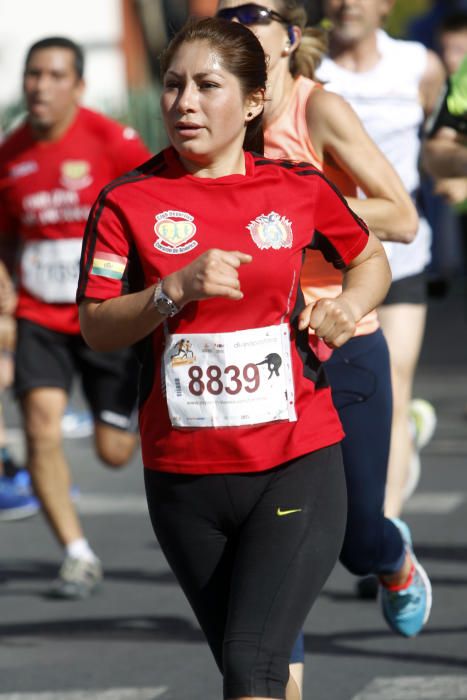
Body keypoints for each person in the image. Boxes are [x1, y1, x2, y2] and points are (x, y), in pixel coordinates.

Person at [77, 17, 391, 700]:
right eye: (171, 85)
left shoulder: (295, 187)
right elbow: (96, 327)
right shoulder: (125, 201)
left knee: (252, 667)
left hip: (293, 460)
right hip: (183, 478)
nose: (184, 103)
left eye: (206, 86)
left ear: (252, 102)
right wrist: (170, 291)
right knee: (252, 669)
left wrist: (345, 304)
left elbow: (368, 257)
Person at [215, 3, 431, 695]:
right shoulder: (211, 118)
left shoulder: (317, 110)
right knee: (274, 532)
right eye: (226, 15)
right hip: (253, 351)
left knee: (354, 537)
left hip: (339, 338)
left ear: (289, 35)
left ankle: (391, 558)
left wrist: (290, 207)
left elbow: (400, 215)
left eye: (256, 14)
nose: (239, 25)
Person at [0, 36, 151, 597]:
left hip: (106, 314)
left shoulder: (114, 142)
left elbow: (158, 207)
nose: (40, 85)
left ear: (79, 86)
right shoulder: (10, 154)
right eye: (32, 74)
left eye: (54, 75)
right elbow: (5, 236)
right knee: (39, 428)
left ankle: (122, 418)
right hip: (40, 316)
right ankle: (76, 553)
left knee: (114, 455)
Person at [316, 0, 446, 519]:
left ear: (386, 5)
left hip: (402, 251)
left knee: (392, 379)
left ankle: (387, 525)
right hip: (330, 257)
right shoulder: (308, 68)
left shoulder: (419, 64)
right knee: (346, 390)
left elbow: (437, 141)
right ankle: (402, 438)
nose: (348, 5)